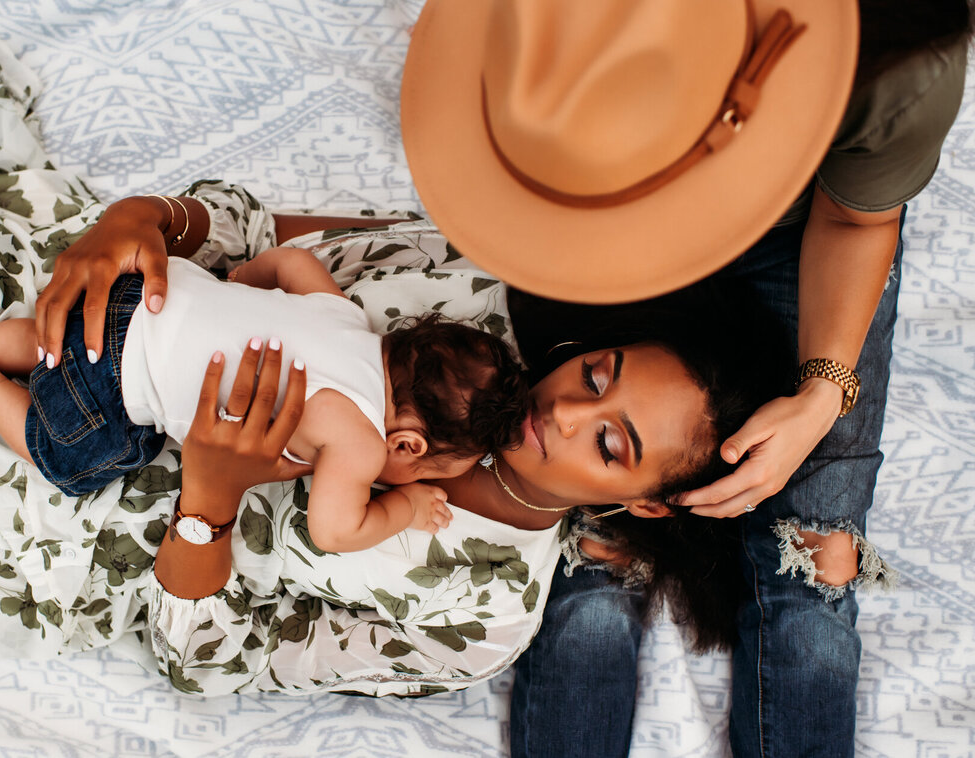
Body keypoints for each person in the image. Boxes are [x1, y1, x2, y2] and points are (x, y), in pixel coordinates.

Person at [0, 1, 787, 699]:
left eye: (609, 443)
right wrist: (144, 218)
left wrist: (211, 500)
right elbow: (261, 233)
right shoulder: (466, 296)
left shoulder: (480, 615)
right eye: (597, 373)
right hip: (102, 315)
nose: (565, 408)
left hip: (61, 515)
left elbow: (208, 663)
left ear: (644, 501)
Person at [393, 0, 971, 755]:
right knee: (599, 542)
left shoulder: (903, 60)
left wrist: (822, 394)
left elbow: (858, 220)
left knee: (815, 556)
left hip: (800, 241)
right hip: (608, 204)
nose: (565, 412)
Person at [0, 241, 529, 552]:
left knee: (56, 340)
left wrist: (242, 283)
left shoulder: (343, 316)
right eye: (427, 468)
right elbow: (334, 531)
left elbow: (290, 260)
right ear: (409, 444)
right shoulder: (362, 443)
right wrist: (407, 509)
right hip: (121, 384)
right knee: (73, 456)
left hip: (145, 293)